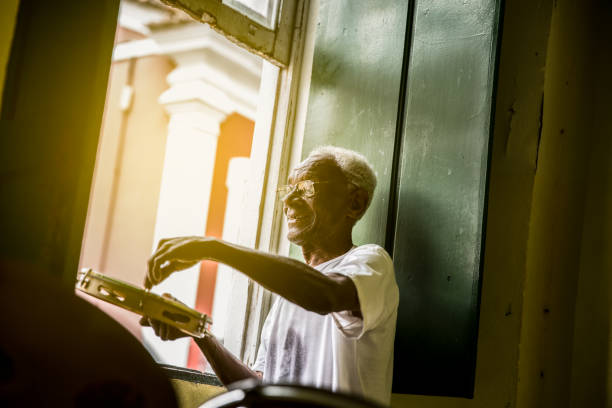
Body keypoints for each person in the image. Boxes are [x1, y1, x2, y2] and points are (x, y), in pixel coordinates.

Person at [142, 146, 399, 405]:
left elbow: (326, 295)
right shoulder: (288, 297)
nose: (288, 201)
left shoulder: (371, 262)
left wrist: (213, 247)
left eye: (307, 188)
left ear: (354, 203)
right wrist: (199, 332)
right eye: (288, 191)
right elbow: (257, 388)